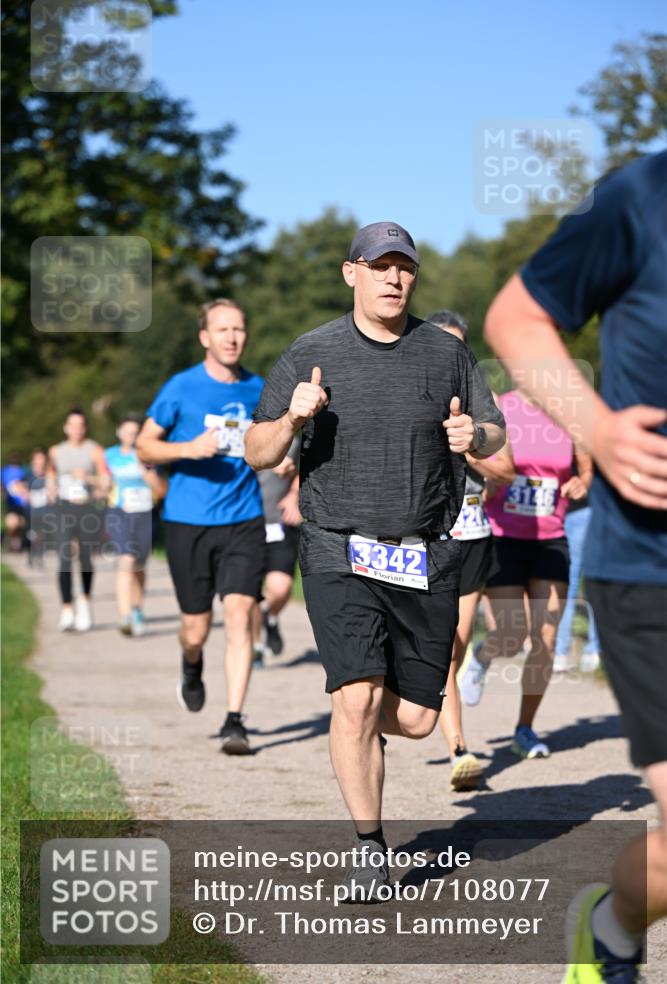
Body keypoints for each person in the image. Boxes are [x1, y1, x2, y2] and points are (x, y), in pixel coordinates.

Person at [245, 222, 506, 891]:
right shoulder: (311, 352)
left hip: (424, 554)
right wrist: (292, 419)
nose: (394, 278)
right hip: (338, 546)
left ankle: (355, 715)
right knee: (357, 698)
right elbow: (257, 451)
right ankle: (369, 842)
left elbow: (497, 440)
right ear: (350, 272)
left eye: (405, 268)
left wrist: (471, 433)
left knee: (417, 720)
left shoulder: (443, 354)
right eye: (380, 266)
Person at [483, 150, 667, 983]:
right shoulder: (643, 196)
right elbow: (517, 318)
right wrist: (594, 426)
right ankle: (615, 930)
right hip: (650, 567)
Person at [136, 298, 266, 756]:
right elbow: (144, 446)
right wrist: (187, 450)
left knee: (239, 616)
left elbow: (275, 444)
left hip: (244, 520)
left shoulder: (259, 389)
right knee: (195, 628)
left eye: (239, 328)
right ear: (205, 337)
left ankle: (235, 719)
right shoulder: (181, 387)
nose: (233, 337)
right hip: (187, 521)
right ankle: (191, 664)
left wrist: (285, 463)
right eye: (223, 329)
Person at [460, 387, 592, 759]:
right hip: (504, 538)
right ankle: (484, 656)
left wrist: (582, 482)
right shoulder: (502, 406)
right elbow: (483, 459)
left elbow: (587, 470)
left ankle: (525, 729)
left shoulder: (570, 412)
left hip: (551, 539)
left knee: (546, 640)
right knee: (512, 636)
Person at [426, 310, 515, 791]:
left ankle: (458, 749)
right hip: (422, 541)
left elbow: (508, 471)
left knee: (454, 648)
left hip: (473, 537)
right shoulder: (409, 394)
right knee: (423, 648)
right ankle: (378, 718)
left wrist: (471, 444)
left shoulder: (486, 402)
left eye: (459, 346)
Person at [47, 409, 110, 632]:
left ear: (85, 427)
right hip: (64, 508)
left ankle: (84, 602)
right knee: (64, 559)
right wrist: (52, 487)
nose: (77, 429)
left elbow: (105, 481)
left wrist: (88, 478)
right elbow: (50, 476)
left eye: (81, 425)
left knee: (85, 558)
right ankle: (66, 608)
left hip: (87, 508)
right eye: (73, 425)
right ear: (66, 427)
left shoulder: (94, 450)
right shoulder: (56, 451)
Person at [105, 415, 166, 637]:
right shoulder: (109, 455)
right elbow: (101, 483)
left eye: (135, 432)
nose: (131, 436)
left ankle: (137, 608)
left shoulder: (148, 455)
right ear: (119, 432)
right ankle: (125, 616)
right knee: (126, 560)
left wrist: (147, 472)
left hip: (145, 514)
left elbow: (160, 490)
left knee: (139, 565)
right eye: (127, 431)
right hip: (119, 513)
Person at [252, 440, 301, 665]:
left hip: (279, 524)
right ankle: (256, 647)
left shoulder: (292, 439)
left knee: (281, 588)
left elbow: (306, 469)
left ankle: (269, 616)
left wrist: (293, 496)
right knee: (248, 594)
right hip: (244, 525)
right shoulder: (234, 434)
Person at [553, 472, 601, 673]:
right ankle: (594, 650)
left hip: (572, 512)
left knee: (567, 585)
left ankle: (560, 653)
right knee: (596, 584)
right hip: (596, 510)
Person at [26, 447, 49, 568]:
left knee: (41, 533)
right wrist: (25, 493)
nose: (40, 461)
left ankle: (40, 556)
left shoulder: (49, 473)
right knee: (32, 534)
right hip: (31, 509)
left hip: (45, 509)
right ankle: (30, 554)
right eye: (38, 458)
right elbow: (18, 485)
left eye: (42, 458)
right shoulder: (27, 474)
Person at [2, 452, 28, 552]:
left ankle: (17, 544)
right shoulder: (4, 472)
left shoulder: (24, 471)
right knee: (13, 523)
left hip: (23, 505)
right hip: (10, 505)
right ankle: (13, 543)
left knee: (21, 524)